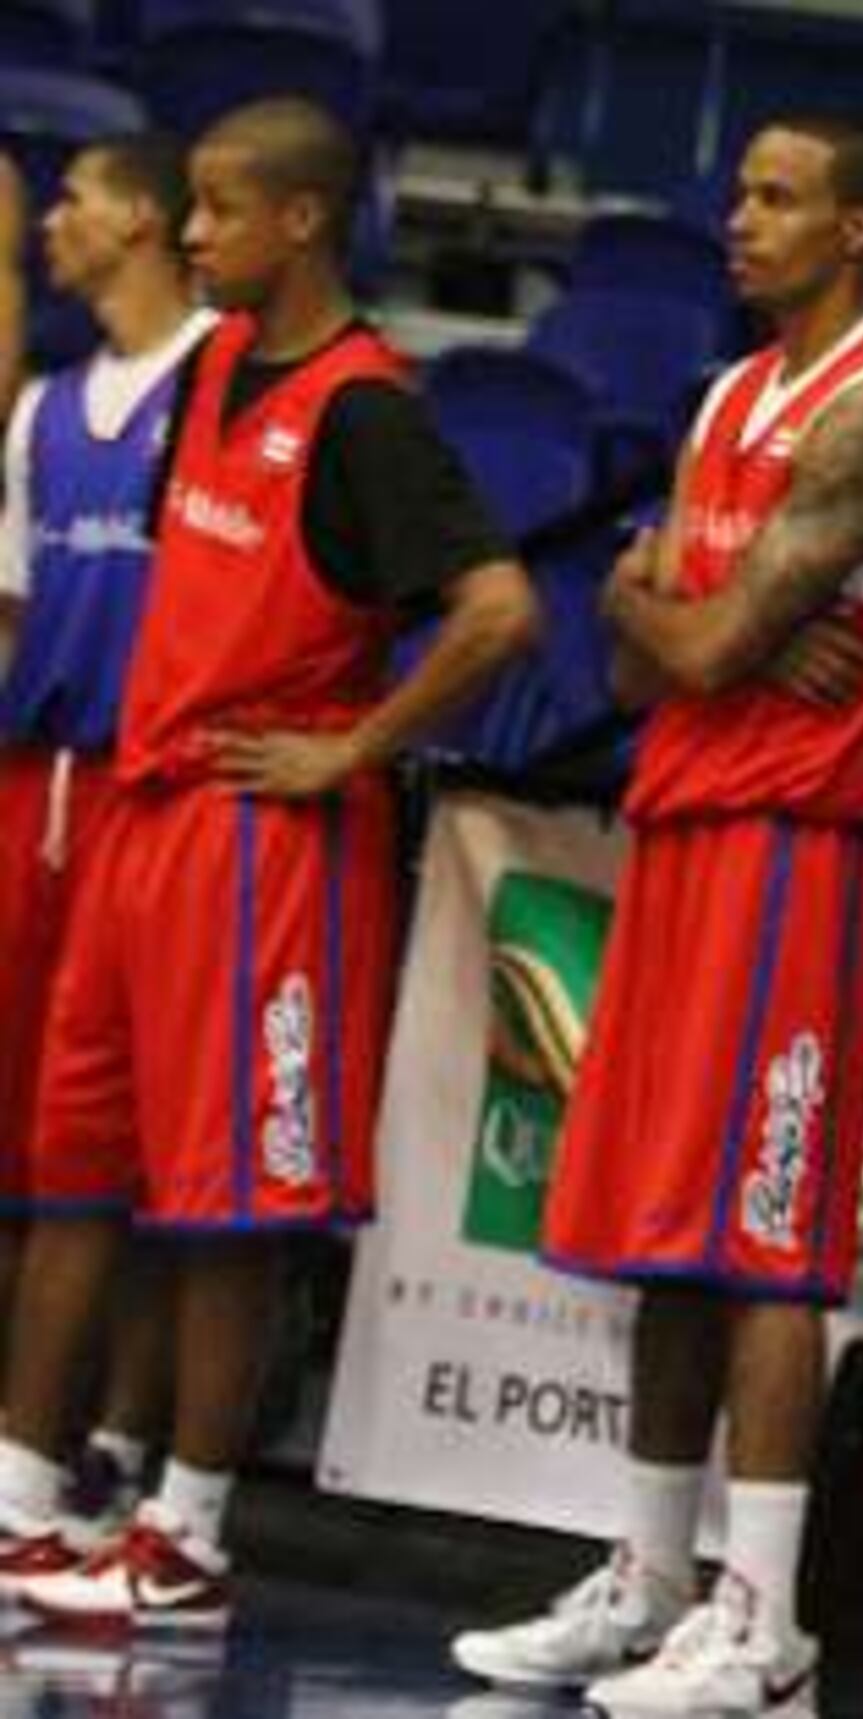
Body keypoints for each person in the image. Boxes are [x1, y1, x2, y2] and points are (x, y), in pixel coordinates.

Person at [0, 95, 541, 1627]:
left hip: (264, 841)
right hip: (139, 815)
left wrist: (351, 748)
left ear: (301, 220)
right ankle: (23, 1502)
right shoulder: (220, 364)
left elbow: (502, 614)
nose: (190, 233)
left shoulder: (369, 406)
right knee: (71, 1174)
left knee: (229, 1206)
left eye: (221, 209)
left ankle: (189, 1532)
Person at [449, 115, 863, 1717]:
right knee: (670, 1235)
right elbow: (640, 662)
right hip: (687, 833)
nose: (737, 221)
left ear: (859, 230)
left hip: (800, 858)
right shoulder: (733, 398)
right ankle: (652, 1579)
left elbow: (716, 638)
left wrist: (677, 615)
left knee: (767, 1248)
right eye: (738, 193)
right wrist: (666, 620)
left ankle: (768, 1619)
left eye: (779, 198)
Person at [0, 131, 216, 1542]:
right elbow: (18, 614)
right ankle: (26, 1448)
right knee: (34, 1136)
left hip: (168, 796)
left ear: (141, 216)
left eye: (73, 203)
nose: (55, 227)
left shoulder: (225, 383)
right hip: (44, 784)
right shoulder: (44, 414)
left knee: (151, 1153)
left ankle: (123, 1451)